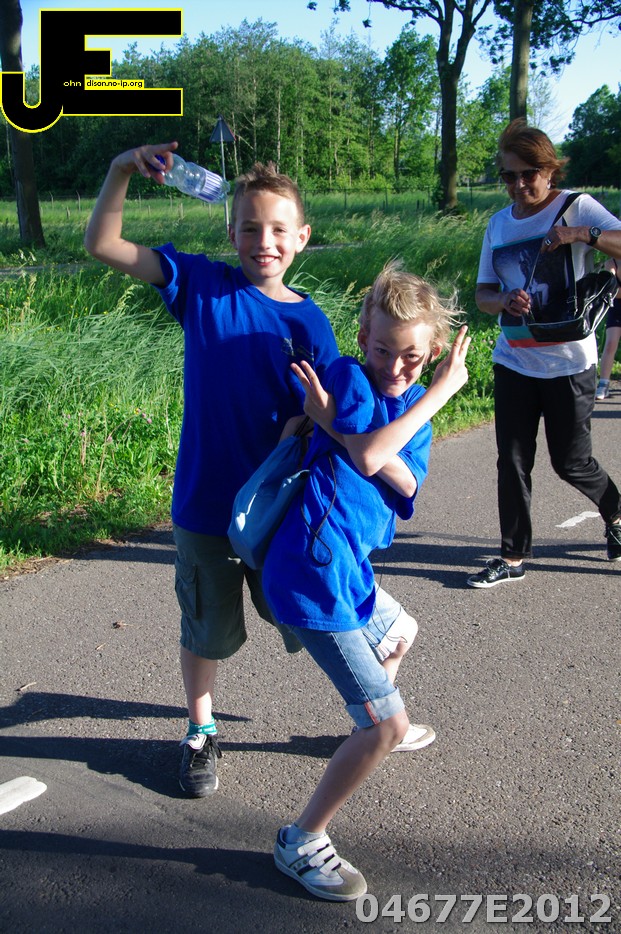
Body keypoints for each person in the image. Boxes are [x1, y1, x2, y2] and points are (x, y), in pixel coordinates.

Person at [84, 141, 341, 797]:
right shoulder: (202, 286)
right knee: (206, 628)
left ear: (302, 237)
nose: (264, 242)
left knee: (311, 614)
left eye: (278, 229)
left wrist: (312, 428)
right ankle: (200, 730)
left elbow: (330, 419)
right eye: (250, 228)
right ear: (231, 234)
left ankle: (371, 707)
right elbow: (103, 245)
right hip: (204, 505)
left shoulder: (311, 324)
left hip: (278, 513)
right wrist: (119, 170)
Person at [261, 262, 471, 901]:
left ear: (430, 352)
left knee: (401, 630)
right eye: (383, 350)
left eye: (412, 357)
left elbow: (406, 481)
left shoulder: (409, 409)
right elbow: (376, 456)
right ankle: (302, 839)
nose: (395, 367)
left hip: (347, 570)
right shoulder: (352, 377)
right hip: (312, 573)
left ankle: (371, 719)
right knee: (386, 725)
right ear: (363, 339)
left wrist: (342, 429)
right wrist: (441, 391)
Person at [467, 118, 621, 589]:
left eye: (528, 174)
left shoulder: (577, 206)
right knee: (512, 460)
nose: (518, 185)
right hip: (514, 359)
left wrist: (579, 235)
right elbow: (483, 294)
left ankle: (616, 512)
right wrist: (503, 301)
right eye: (508, 176)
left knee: (571, 462)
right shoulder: (498, 224)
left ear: (550, 171)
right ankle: (512, 556)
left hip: (569, 363)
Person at [595, 260, 621, 401]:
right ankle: (603, 385)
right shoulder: (611, 262)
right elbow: (613, 290)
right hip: (617, 308)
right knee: (611, 343)